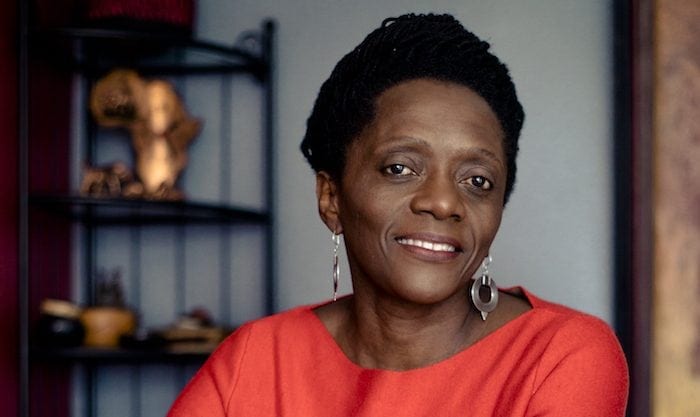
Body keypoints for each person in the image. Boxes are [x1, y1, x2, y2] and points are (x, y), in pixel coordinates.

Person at [167, 13, 629, 416]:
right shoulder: (254, 360)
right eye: (400, 168)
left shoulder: (560, 356)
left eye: (477, 180)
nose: (444, 202)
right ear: (331, 197)